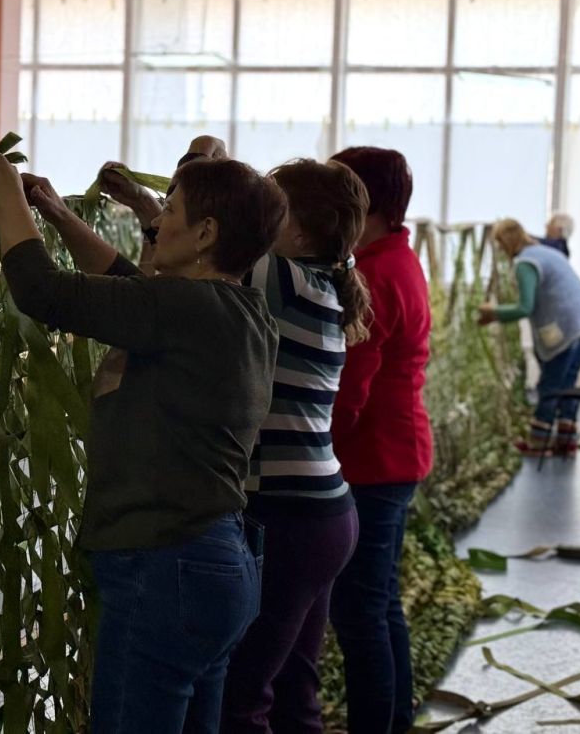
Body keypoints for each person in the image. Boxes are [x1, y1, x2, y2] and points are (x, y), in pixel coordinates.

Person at [0, 145, 286, 734]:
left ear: (206, 233)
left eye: (170, 210)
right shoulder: (240, 310)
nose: (157, 221)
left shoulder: (187, 308)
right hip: (217, 564)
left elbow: (44, 292)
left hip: (168, 567)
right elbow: (127, 284)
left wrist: (7, 194)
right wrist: (58, 216)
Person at [218, 159, 371, 733]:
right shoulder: (325, 282)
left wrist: (201, 163)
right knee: (292, 691)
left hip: (287, 516)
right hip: (325, 513)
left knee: (242, 695)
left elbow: (199, 247)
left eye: (272, 207)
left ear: (301, 233)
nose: (258, 218)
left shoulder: (276, 277)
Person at [328, 146, 433, 734]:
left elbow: (351, 385)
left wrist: (314, 448)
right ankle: (394, 717)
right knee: (378, 600)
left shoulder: (374, 273)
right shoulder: (393, 258)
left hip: (373, 458)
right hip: (393, 452)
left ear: (360, 199)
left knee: (360, 609)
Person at [479, 218, 580, 456]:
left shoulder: (526, 262)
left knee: (550, 384)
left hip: (567, 327)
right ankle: (566, 440)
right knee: (567, 383)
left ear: (506, 242)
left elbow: (525, 307)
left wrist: (492, 312)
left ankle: (539, 443)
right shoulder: (545, 252)